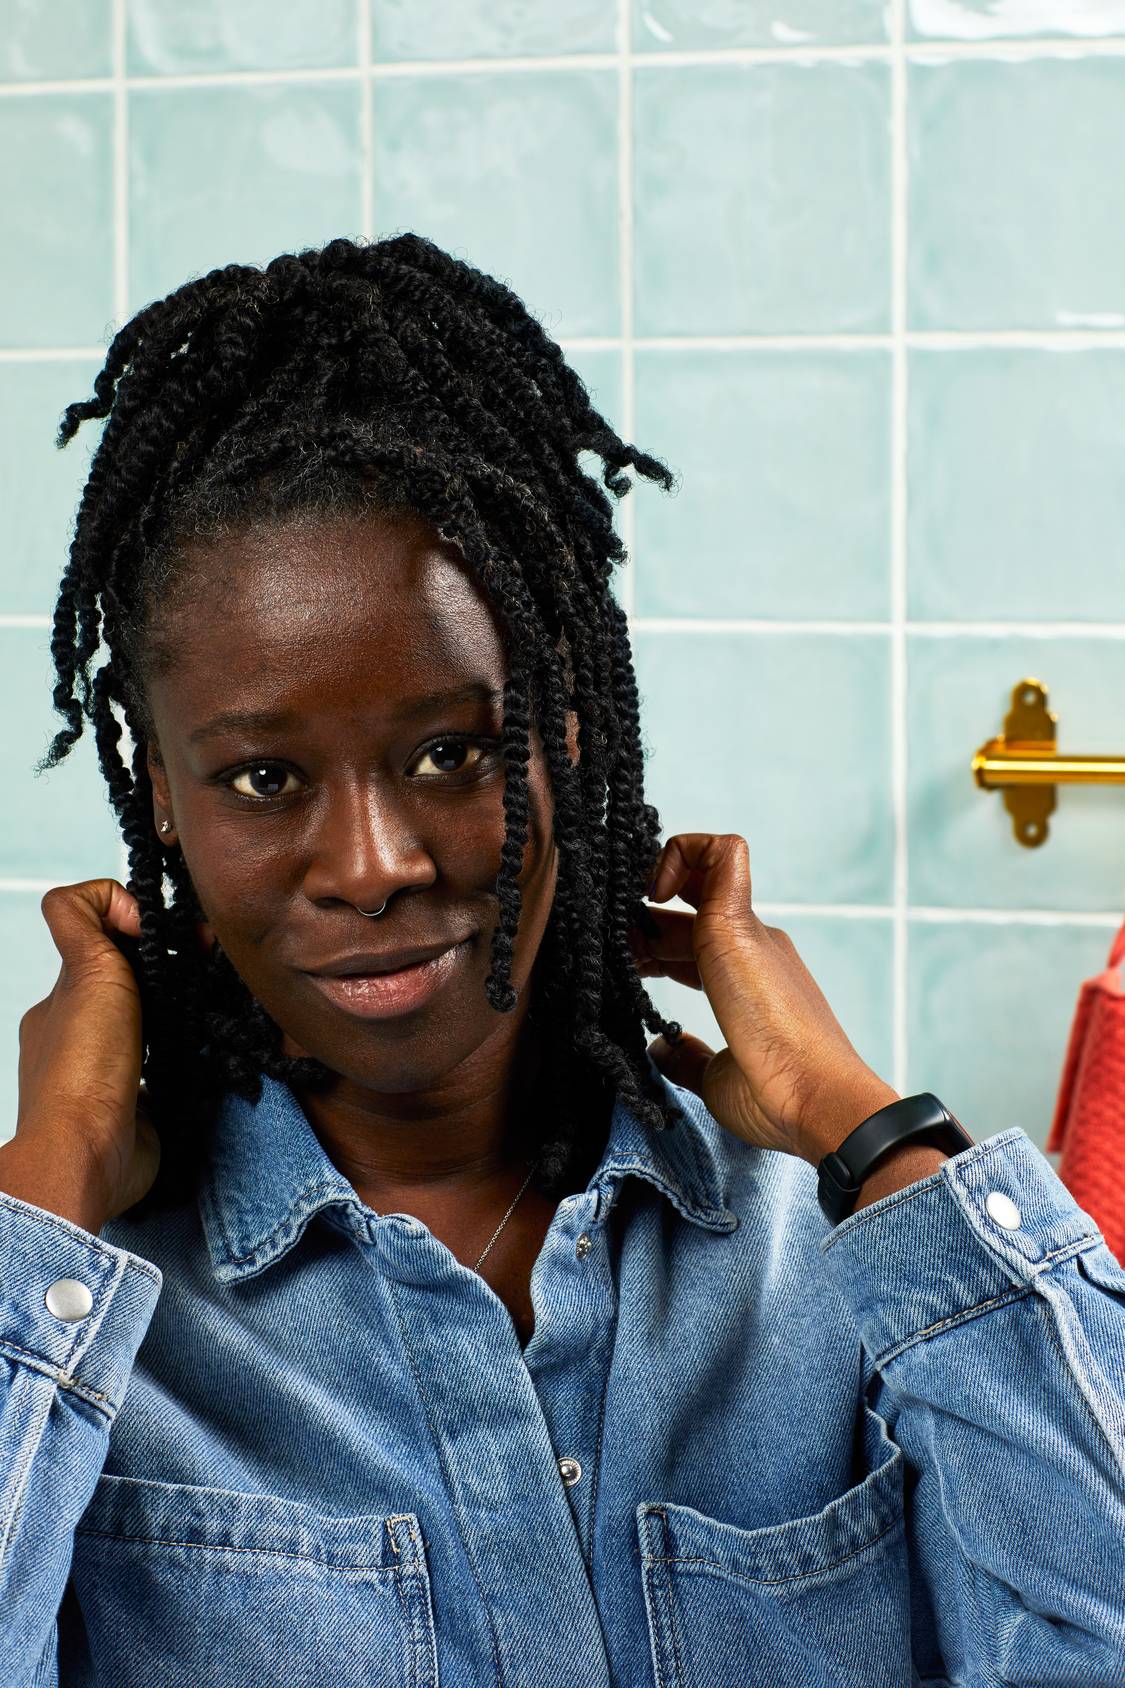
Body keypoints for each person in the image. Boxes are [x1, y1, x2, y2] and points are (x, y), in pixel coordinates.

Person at [5, 233, 1124, 1687]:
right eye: (265, 780)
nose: (373, 864)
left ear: (569, 737)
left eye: (450, 752)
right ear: (162, 797)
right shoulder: (87, 1324)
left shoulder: (827, 1261)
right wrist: (49, 1180)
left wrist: (871, 1135)